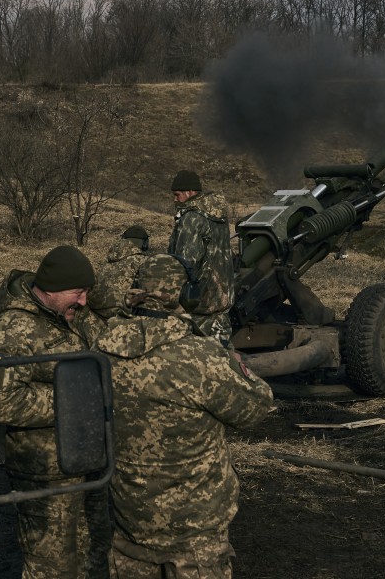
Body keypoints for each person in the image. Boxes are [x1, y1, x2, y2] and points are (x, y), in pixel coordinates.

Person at [93, 253, 274, 578]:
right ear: (183, 296)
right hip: (195, 535)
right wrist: (232, 363)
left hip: (130, 522)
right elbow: (256, 407)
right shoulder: (200, 359)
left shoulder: (100, 353)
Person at [0, 245, 109, 579]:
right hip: (45, 471)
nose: (83, 301)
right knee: (51, 567)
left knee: (93, 558)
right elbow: (1, 400)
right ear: (50, 290)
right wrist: (74, 401)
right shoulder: (13, 330)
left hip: (91, 464)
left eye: (86, 293)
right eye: (77, 293)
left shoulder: (78, 317)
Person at [168, 169, 235, 345]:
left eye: (177, 194)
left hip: (198, 305)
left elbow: (184, 263)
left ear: (190, 193)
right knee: (222, 359)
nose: (175, 199)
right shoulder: (218, 217)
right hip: (221, 301)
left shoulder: (192, 219)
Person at [88, 225, 152, 319]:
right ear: (145, 244)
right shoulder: (146, 263)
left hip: (96, 317)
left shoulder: (107, 263)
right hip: (123, 321)